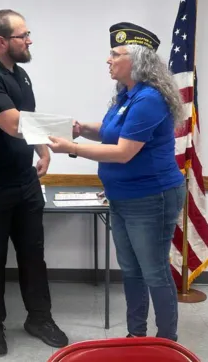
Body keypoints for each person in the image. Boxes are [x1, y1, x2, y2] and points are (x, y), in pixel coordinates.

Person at [48, 22, 185, 341]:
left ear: (137, 61)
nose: (108, 60)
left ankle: (166, 342)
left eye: (115, 53)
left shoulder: (149, 99)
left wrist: (72, 148)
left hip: (152, 198)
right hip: (122, 197)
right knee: (132, 271)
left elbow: (123, 152)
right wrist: (83, 129)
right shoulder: (127, 95)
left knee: (154, 272)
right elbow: (113, 133)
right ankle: (136, 336)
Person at [0, 9, 68, 356]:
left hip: (23, 181)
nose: (30, 40)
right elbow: (12, 123)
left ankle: (39, 317)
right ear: (1, 41)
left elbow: (30, 119)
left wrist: (43, 150)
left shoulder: (20, 76)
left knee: (33, 254)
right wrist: (67, 134)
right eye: (24, 35)